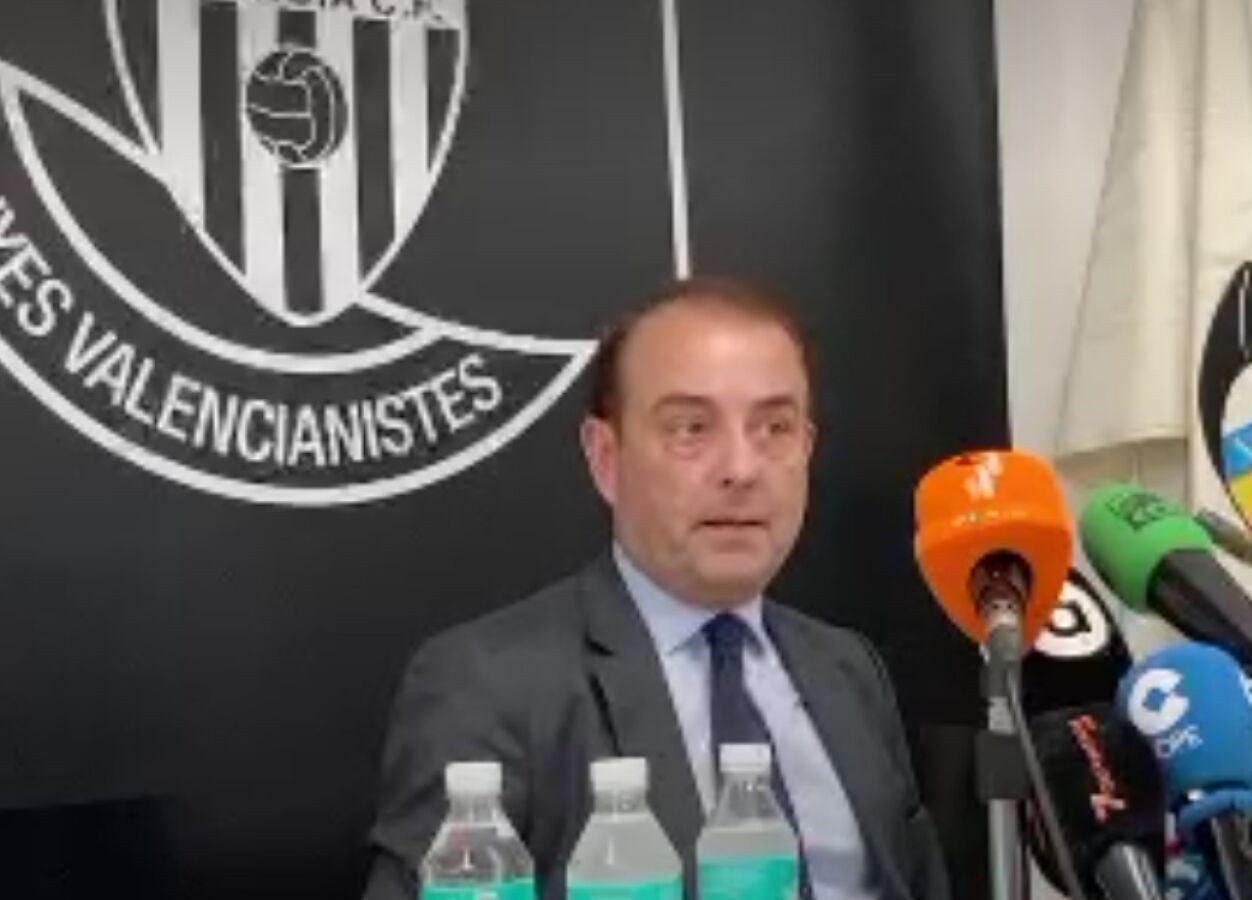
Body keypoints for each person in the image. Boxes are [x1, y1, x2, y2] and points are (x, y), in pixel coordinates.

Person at [362, 277, 950, 900]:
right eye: (691, 429)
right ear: (605, 457)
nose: (741, 469)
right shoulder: (490, 685)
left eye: (774, 428)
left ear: (806, 449)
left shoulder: (849, 672)